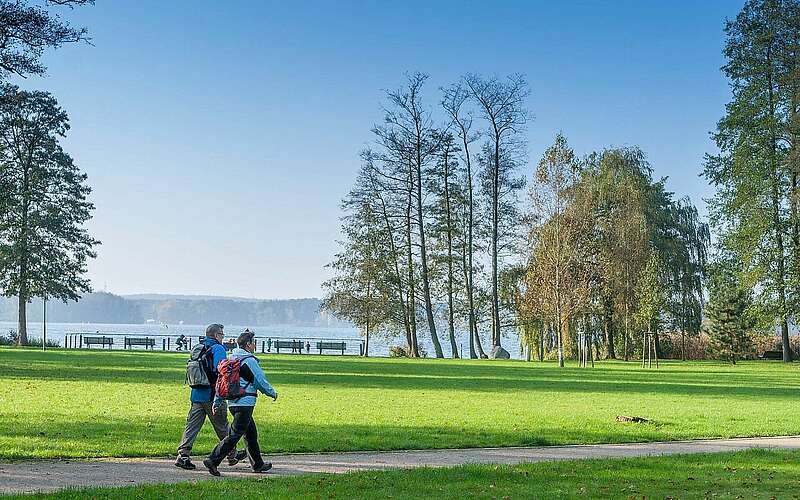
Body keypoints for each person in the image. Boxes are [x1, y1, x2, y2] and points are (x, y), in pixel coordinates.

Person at [204, 329, 278, 476]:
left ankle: (258, 464)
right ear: (248, 344)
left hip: (233, 402)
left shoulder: (231, 360)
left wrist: (217, 401)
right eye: (253, 342)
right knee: (235, 434)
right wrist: (272, 393)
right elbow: (259, 380)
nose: (254, 345)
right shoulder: (248, 360)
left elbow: (221, 382)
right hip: (246, 403)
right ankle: (213, 460)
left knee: (251, 434)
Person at [175, 324, 245, 470]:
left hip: (196, 394)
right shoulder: (218, 349)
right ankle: (232, 455)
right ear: (215, 335)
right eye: (222, 334)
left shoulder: (198, 347)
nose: (223, 336)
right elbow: (222, 371)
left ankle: (183, 455)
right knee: (222, 426)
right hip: (212, 394)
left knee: (192, 427)